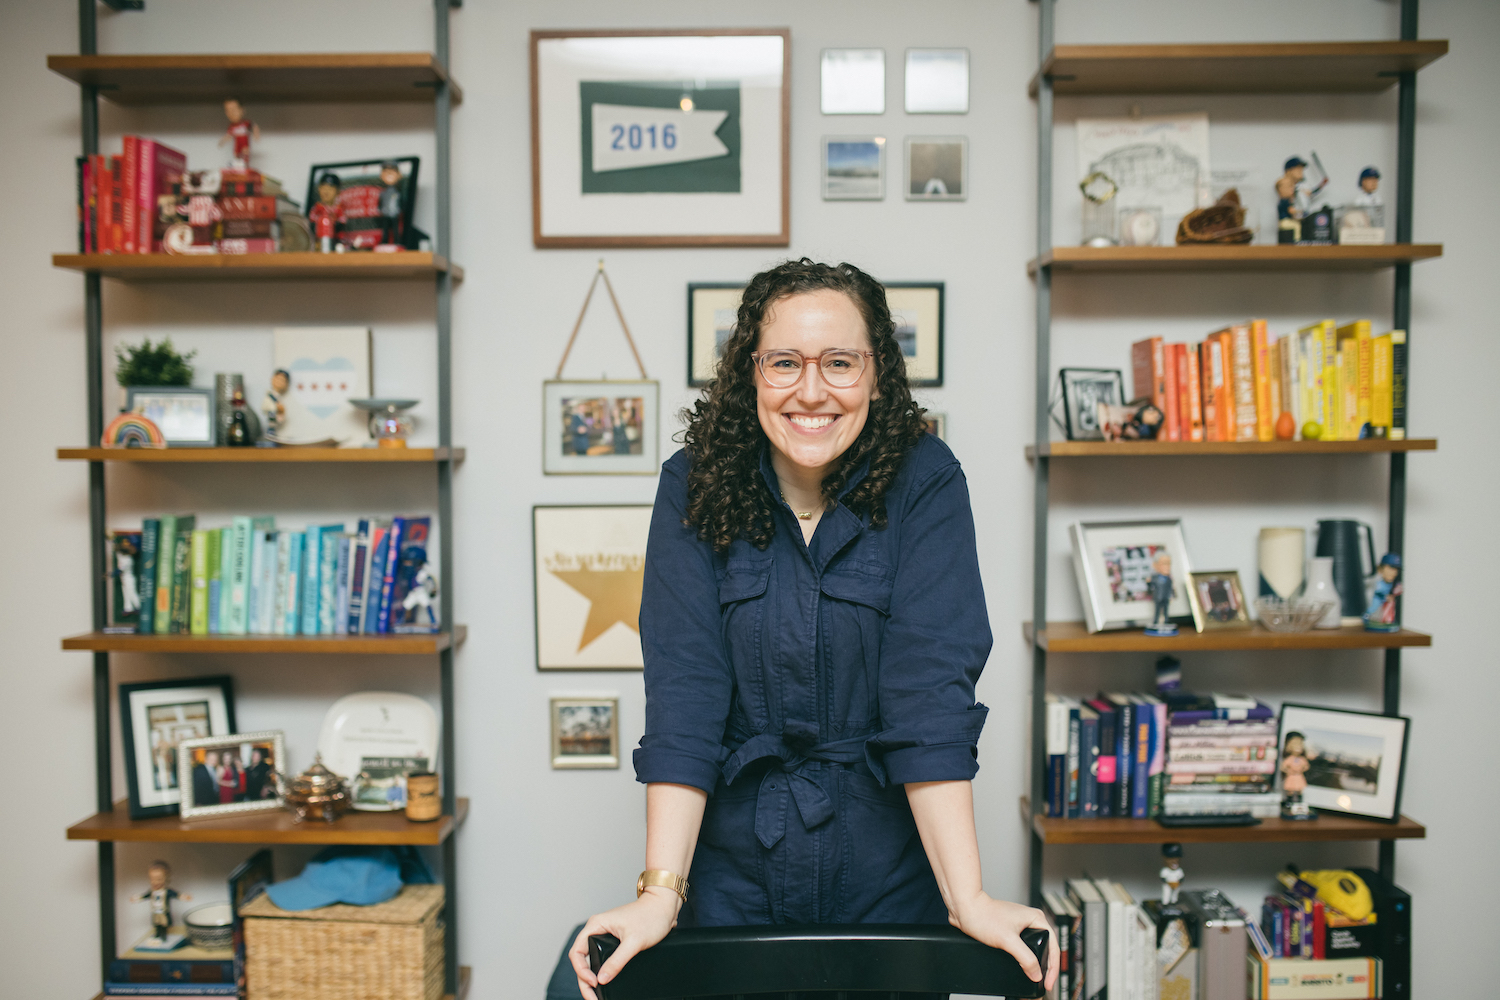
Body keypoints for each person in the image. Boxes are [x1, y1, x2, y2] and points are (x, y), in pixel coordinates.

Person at [568, 259, 1057, 999]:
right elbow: (686, 697)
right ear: (749, 375)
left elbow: (929, 700)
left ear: (878, 374)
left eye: (840, 363)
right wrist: (659, 895)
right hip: (733, 886)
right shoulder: (690, 484)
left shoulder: (927, 480)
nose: (811, 390)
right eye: (785, 362)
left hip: (886, 885)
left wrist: (969, 900)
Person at [132, 860, 190, 942]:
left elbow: (176, 894)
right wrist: (136, 898)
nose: (155, 882)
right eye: (152, 879)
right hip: (155, 911)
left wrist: (184, 897)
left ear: (166, 879)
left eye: (159, 879)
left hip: (163, 912)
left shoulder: (167, 891)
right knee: (156, 923)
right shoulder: (152, 892)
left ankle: (163, 935)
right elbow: (144, 896)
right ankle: (157, 934)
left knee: (163, 924)